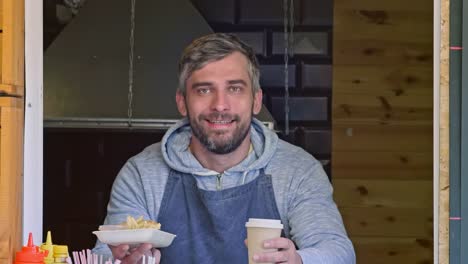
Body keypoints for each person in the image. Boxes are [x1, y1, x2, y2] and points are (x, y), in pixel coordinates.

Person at [93, 33, 355, 264]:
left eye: (235, 88)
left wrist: (299, 260)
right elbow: (105, 253)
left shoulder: (297, 169)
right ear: (182, 103)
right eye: (204, 90)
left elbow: (338, 251)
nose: (220, 105)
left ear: (256, 100)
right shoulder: (142, 173)